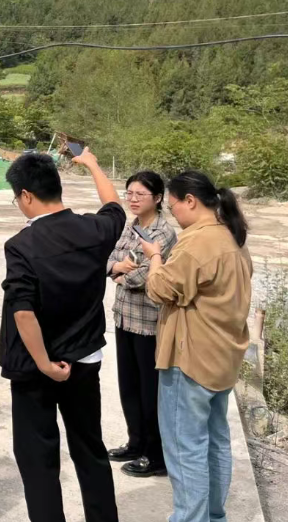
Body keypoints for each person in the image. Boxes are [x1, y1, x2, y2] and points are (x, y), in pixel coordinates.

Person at [0, 149, 124, 522]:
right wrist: (93, 165)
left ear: (26, 195)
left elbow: (24, 312)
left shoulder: (22, 245)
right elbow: (115, 206)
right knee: (90, 448)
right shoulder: (95, 230)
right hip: (85, 360)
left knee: (37, 457)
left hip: (36, 368)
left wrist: (44, 364)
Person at [139, 171, 253, 522]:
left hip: (190, 359)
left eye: (173, 206)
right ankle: (213, 516)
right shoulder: (232, 236)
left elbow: (160, 289)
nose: (173, 214)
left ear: (190, 201)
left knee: (185, 447)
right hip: (222, 357)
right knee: (215, 441)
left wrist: (154, 257)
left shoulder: (197, 242)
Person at [106, 171, 177, 478]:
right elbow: (109, 259)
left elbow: (146, 274)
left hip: (149, 322)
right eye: (129, 193)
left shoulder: (164, 233)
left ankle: (155, 454)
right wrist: (116, 268)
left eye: (140, 194)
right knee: (129, 386)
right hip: (124, 316)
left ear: (158, 198)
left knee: (150, 392)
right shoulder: (130, 225)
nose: (133, 199)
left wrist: (122, 274)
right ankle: (135, 443)